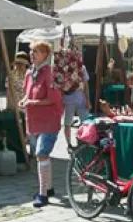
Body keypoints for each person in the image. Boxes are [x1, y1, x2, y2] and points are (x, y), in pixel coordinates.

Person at [20, 41, 62, 208]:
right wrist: (24, 101)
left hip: (49, 119)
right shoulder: (30, 73)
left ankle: (43, 194)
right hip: (34, 120)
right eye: (31, 51)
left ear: (45, 54)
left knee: (41, 154)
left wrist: (32, 102)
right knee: (42, 155)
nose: (32, 54)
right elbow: (27, 94)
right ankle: (49, 188)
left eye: (35, 51)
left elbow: (53, 98)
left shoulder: (50, 73)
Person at [63, 64, 90, 149]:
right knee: (67, 123)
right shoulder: (64, 66)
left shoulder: (82, 67)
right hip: (68, 98)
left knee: (85, 122)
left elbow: (85, 84)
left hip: (80, 97)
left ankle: (83, 142)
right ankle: (69, 144)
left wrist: (87, 99)